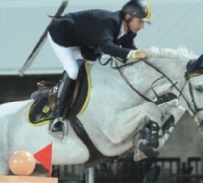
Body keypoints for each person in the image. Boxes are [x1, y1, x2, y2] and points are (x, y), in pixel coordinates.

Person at [46, 0, 151, 138]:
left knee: (95, 67)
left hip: (81, 42)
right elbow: (107, 47)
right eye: (140, 21)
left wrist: (144, 62)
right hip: (61, 36)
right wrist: (133, 54)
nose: (142, 26)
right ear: (128, 16)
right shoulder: (108, 22)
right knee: (73, 70)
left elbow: (128, 49)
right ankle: (57, 118)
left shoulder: (129, 31)